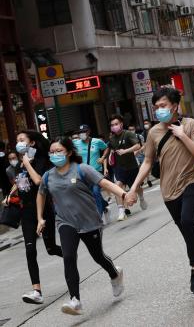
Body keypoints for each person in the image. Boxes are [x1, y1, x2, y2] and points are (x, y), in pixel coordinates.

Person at [126, 87, 194, 294]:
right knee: (187, 231)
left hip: (192, 180)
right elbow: (147, 161)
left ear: (175, 106)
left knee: (188, 221)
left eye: (163, 105)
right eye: (156, 107)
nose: (159, 110)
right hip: (168, 189)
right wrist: (132, 189)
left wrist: (183, 136)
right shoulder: (153, 133)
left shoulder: (190, 125)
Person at [37, 137, 127, 315]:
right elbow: (41, 194)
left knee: (98, 256)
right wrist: (40, 218)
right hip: (65, 222)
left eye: (59, 151)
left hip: (89, 221)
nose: (55, 155)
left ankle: (115, 274)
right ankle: (75, 300)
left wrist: (124, 194)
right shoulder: (48, 176)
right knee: (69, 257)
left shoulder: (81, 169)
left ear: (69, 152)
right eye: (52, 152)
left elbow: (105, 183)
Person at [11, 131, 63, 304]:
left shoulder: (42, 161)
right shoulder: (19, 165)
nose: (18, 143)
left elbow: (39, 181)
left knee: (51, 249)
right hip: (27, 213)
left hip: (43, 211)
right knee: (30, 250)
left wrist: (27, 163)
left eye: (22, 140)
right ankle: (37, 291)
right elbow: (21, 184)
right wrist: (11, 194)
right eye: (17, 141)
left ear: (31, 143)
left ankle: (70, 255)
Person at [107, 115, 145, 220]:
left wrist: (125, 151)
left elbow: (137, 146)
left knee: (137, 187)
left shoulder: (128, 134)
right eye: (112, 125)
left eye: (116, 124)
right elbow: (109, 148)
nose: (114, 126)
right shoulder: (112, 138)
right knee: (118, 186)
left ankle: (141, 198)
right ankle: (121, 210)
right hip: (119, 167)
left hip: (131, 166)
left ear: (121, 124)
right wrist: (103, 157)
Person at [73, 124, 109, 217]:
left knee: (96, 191)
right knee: (91, 194)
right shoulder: (75, 143)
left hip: (96, 171)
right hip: (83, 173)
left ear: (88, 132)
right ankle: (104, 204)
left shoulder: (97, 141)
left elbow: (106, 148)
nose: (82, 134)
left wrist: (103, 157)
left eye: (84, 132)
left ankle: (99, 217)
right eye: (80, 132)